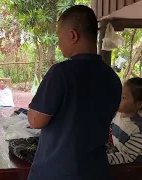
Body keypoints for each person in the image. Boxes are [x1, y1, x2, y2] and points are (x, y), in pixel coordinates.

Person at [27, 5, 122, 180]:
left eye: (59, 37)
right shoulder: (112, 78)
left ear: (72, 36)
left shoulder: (61, 73)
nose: (58, 42)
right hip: (96, 170)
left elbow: (35, 120)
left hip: (57, 171)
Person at [108, 77, 142, 165]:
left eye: (123, 97)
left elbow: (127, 156)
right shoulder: (118, 114)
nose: (118, 98)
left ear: (139, 104)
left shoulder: (137, 129)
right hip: (117, 152)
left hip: (132, 167)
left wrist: (102, 159)